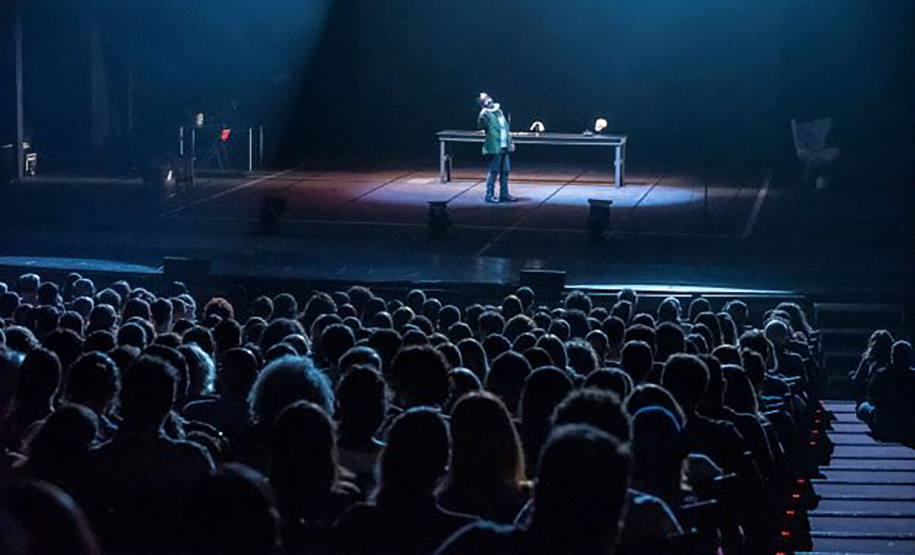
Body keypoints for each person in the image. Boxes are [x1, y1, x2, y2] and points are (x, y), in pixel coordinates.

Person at [477, 93, 517, 203]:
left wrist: (511, 142)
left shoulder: (499, 112)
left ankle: (504, 194)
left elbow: (506, 128)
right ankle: (489, 195)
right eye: (485, 100)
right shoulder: (485, 115)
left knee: (505, 171)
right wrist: (482, 114)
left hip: (505, 146)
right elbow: (481, 126)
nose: (488, 100)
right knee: (494, 171)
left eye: (488, 98)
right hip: (495, 147)